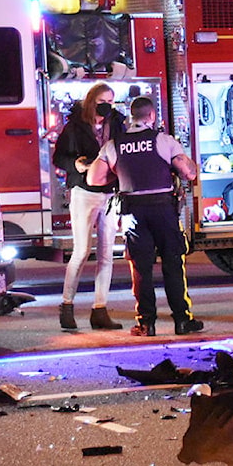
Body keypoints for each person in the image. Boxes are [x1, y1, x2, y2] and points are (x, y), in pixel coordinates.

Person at [87, 96, 203, 337]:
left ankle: (146, 324)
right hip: (163, 210)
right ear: (152, 116)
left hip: (132, 211)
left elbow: (94, 179)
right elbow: (189, 173)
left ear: (131, 117)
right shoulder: (163, 141)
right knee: (173, 263)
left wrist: (118, 174)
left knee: (140, 269)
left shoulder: (114, 144)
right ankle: (182, 321)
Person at [51, 82, 125, 330]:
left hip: (109, 192)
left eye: (112, 101)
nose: (108, 106)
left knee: (107, 254)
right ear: (92, 101)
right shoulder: (75, 126)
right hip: (84, 191)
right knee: (82, 251)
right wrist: (77, 165)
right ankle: (67, 305)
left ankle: (100, 309)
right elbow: (59, 157)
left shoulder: (116, 123)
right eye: (104, 100)